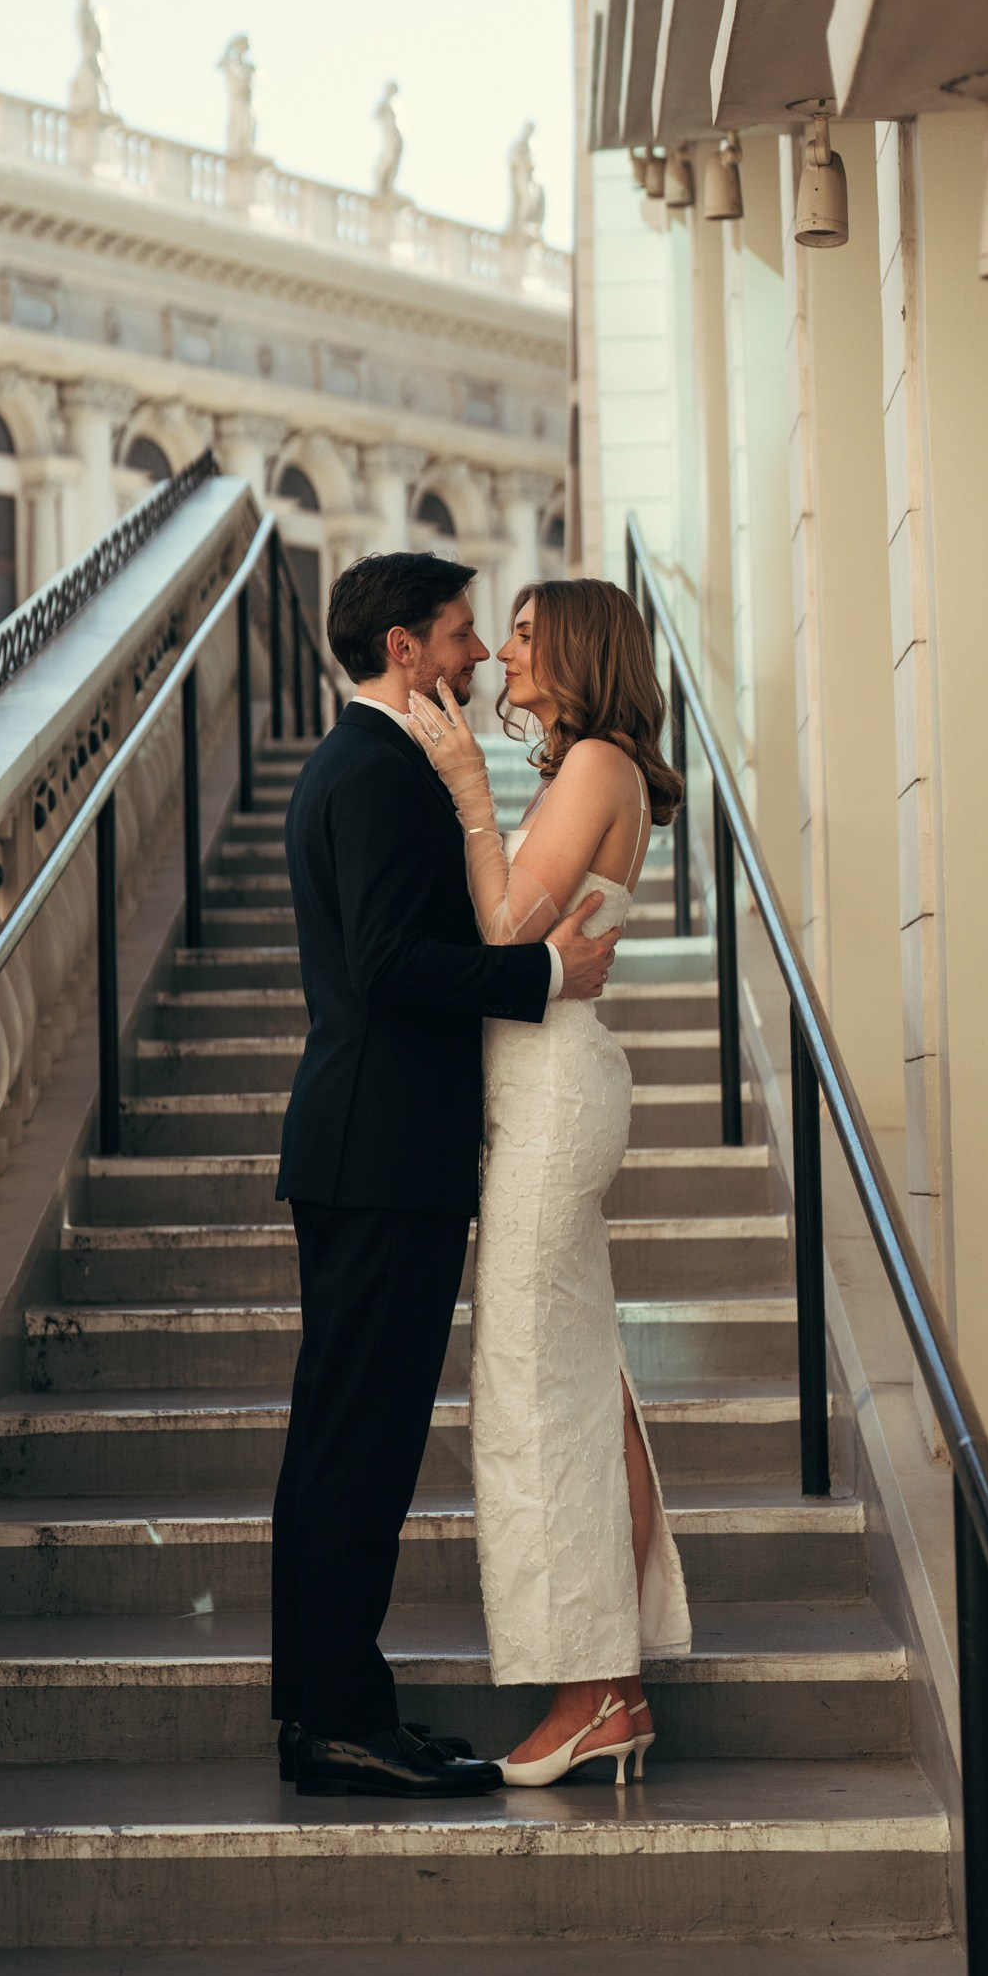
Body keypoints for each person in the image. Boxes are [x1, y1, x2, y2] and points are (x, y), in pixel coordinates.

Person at [270, 551, 619, 1800]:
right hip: (379, 1154)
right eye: (464, 635)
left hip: (377, 1149)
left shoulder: (376, 763)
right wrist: (539, 979)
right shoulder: (373, 772)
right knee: (356, 1448)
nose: (479, 656)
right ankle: (340, 1723)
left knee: (342, 1443)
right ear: (404, 649)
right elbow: (385, 965)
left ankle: (326, 1711)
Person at [405, 576, 693, 1785]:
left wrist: (470, 798)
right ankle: (612, 1688)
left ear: (575, 648)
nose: (503, 654)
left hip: (556, 1090)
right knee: (580, 1380)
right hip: (544, 1087)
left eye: (522, 634)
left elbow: (505, 933)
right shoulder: (596, 769)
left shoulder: (593, 771)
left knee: (533, 1390)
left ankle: (586, 1691)